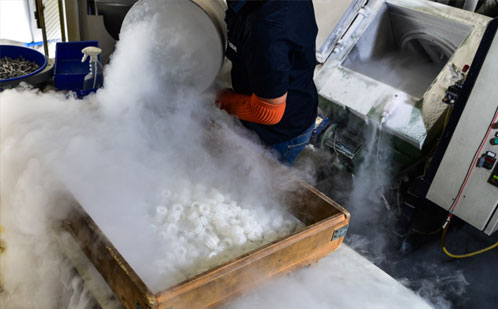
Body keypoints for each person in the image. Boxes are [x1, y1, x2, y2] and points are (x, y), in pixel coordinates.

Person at [215, 0, 318, 166]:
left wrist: (223, 100)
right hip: (275, 93)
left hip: (277, 133)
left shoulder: (267, 30)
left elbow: (269, 112)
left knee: (259, 183)